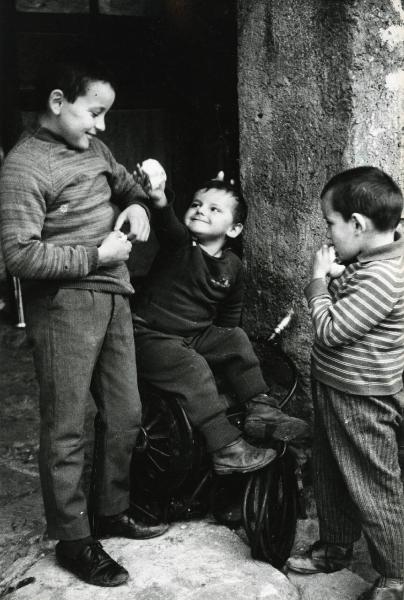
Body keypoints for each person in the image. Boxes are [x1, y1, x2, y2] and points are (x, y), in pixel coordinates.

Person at [0, 58, 169, 588]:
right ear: (57, 102)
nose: (102, 126)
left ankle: (111, 510)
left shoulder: (92, 148)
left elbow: (126, 187)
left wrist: (139, 206)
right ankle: (74, 538)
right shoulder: (24, 168)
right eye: (94, 113)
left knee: (125, 411)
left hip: (116, 292)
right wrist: (97, 254)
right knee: (68, 423)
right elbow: (20, 257)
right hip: (66, 304)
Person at [130, 161, 309, 476]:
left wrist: (227, 348)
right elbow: (166, 222)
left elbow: (230, 314)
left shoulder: (233, 266)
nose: (201, 211)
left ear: (234, 229)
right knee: (192, 366)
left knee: (236, 338)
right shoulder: (180, 246)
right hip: (150, 335)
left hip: (193, 335)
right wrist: (158, 197)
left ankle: (261, 409)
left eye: (215, 209)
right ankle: (225, 448)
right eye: (197, 204)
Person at [286, 167, 404, 600]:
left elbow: (332, 331)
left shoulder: (383, 276)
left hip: (362, 397)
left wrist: (317, 281)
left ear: (357, 224)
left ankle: (397, 576)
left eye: (330, 223)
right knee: (331, 472)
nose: (328, 234)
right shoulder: (376, 259)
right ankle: (335, 546)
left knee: (373, 485)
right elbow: (357, 299)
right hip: (338, 386)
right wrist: (340, 278)